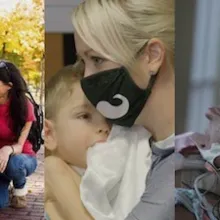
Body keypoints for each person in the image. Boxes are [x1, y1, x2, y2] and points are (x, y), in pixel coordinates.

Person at [71, 0, 175, 219]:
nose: (87, 77)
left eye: (97, 59)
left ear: (153, 56)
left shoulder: (182, 170)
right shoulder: (135, 143)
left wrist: (58, 177)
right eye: (83, 62)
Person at [45, 64, 153, 220]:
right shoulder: (50, 177)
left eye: (110, 118)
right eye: (85, 116)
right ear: (49, 134)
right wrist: (55, 170)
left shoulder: (126, 174)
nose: (104, 128)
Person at [0, 60, 37, 209]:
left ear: (9, 86)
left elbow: (20, 146)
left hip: (21, 156)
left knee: (14, 165)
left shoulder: (24, 106)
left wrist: (7, 149)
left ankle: (19, 187)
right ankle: (5, 182)